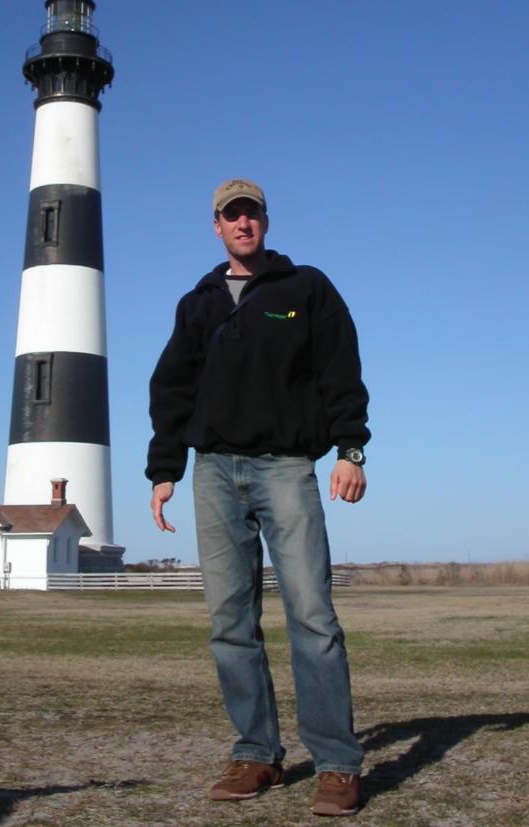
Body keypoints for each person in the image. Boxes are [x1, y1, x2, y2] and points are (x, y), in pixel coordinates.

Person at [144, 178, 371, 817]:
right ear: (216, 227)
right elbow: (172, 390)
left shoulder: (306, 288)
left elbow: (341, 370)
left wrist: (352, 450)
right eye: (230, 215)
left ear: (265, 221)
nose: (242, 223)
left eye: (251, 213)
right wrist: (165, 470)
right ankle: (255, 754)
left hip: (285, 468)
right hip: (213, 472)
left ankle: (336, 764)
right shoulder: (198, 303)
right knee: (229, 624)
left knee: (313, 618)